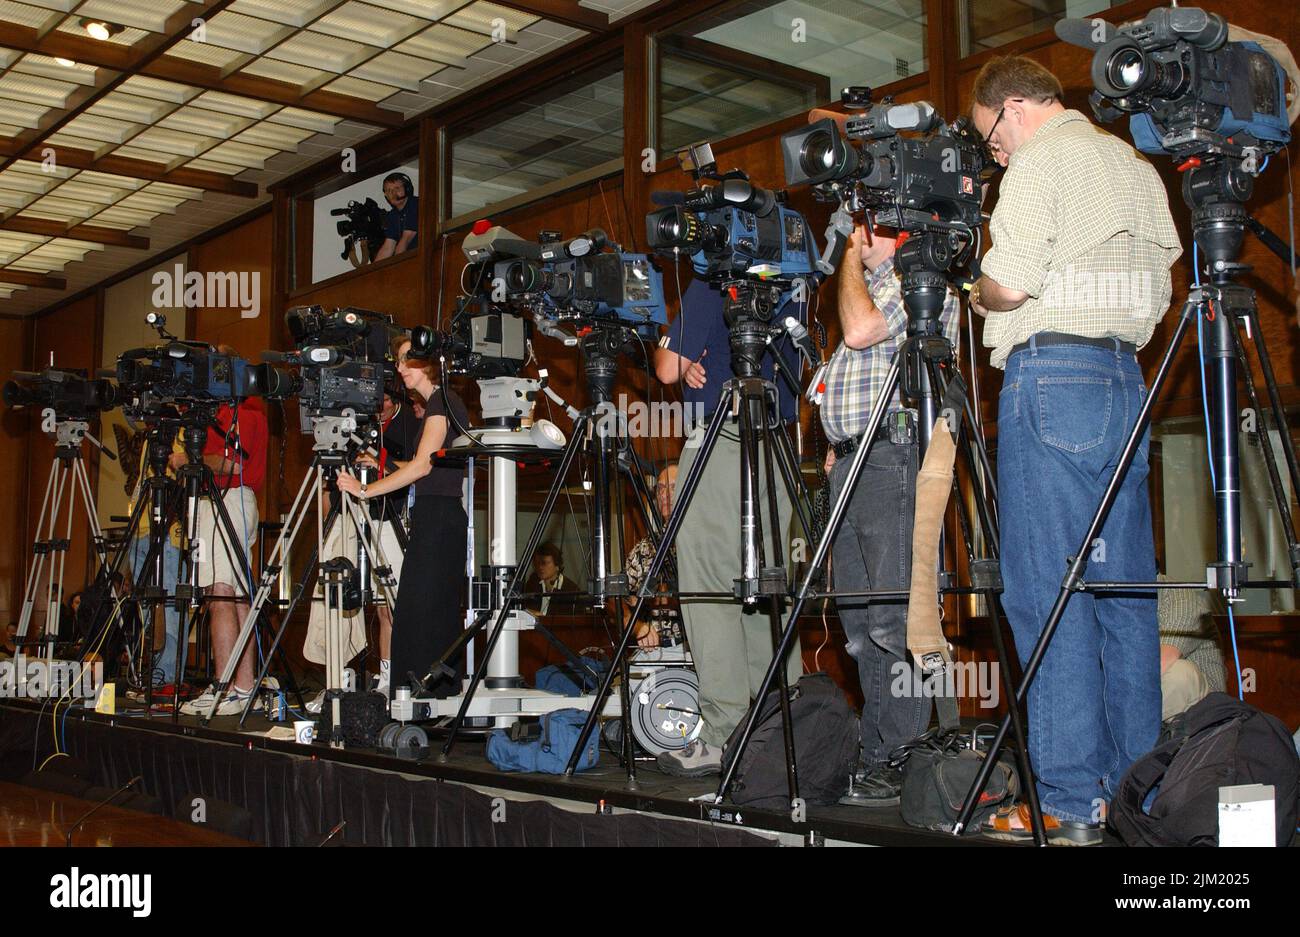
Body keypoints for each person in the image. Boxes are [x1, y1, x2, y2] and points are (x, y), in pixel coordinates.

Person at [966, 56, 1181, 844]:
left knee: (1046, 594)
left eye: (992, 140)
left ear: (1013, 108)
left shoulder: (1040, 160)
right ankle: (1137, 792)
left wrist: (975, 286)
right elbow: (1165, 271)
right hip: (1126, 377)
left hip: (1051, 373)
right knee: (1124, 595)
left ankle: (1063, 796)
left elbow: (1012, 285)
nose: (995, 155)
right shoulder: (1129, 160)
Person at [819, 222, 960, 807]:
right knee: (858, 631)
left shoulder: (920, 282)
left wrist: (849, 256)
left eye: (858, 224)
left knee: (894, 623)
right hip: (852, 463)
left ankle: (905, 751)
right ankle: (880, 755)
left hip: (894, 456)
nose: (848, 231)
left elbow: (858, 332)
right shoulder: (873, 286)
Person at [652, 277, 804, 777]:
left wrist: (683, 353)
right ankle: (783, 733)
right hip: (779, 447)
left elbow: (666, 368)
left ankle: (725, 737)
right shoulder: (794, 278)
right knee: (769, 590)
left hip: (721, 440)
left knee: (710, 592)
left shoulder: (711, 282)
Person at [337, 336, 469, 698]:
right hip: (435, 517)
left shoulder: (442, 401)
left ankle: (420, 700)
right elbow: (422, 465)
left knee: (419, 614)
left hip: (439, 519)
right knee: (427, 613)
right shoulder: (440, 403)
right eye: (397, 361)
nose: (398, 368)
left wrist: (364, 490)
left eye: (404, 360)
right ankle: (429, 698)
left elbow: (423, 466)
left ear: (426, 362)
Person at [304, 389, 419, 700]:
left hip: (388, 515)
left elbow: (417, 468)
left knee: (388, 607)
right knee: (338, 599)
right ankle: (335, 681)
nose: (376, 406)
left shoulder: (408, 422)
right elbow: (329, 480)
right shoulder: (350, 423)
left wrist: (380, 460)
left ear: (395, 397)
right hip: (350, 515)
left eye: (382, 399)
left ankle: (388, 678)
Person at [179, 362, 270, 717]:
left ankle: (226, 687)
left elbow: (235, 465)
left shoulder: (243, 412)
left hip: (230, 498)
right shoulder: (224, 412)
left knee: (220, 593)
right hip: (223, 500)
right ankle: (241, 687)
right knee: (232, 594)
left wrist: (191, 458)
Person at [124, 429, 186, 690]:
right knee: (147, 614)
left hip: (168, 534)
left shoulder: (183, 428)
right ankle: (152, 677)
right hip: (140, 530)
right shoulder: (153, 431)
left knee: (169, 612)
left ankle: (166, 683)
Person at [623, 463, 682, 649]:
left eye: (673, 487)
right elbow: (615, 602)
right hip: (654, 652)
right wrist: (639, 627)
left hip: (699, 650)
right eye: (661, 489)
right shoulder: (645, 549)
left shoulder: (705, 544)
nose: (665, 494)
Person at [1157, 578, 1225, 723]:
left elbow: (1161, 663)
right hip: (1160, 709)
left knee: (1179, 674)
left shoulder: (1179, 596)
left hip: (1205, 711)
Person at [522, 542, 580, 616]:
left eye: (545, 563)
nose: (540, 567)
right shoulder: (532, 583)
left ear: (557, 565)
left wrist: (542, 617)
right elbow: (524, 608)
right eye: (537, 563)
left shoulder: (572, 590)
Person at [373, 172, 418, 261]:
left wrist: (397, 266)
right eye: (389, 190)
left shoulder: (415, 204)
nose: (393, 193)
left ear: (407, 189)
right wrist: (372, 272)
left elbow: (406, 238)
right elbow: (388, 247)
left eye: (397, 188)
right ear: (385, 195)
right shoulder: (392, 215)